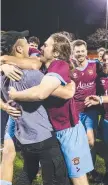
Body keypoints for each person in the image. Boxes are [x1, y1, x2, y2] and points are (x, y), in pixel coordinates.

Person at [8, 33, 93, 185]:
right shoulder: (45, 63)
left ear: (56, 53)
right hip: (53, 131)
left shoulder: (59, 65)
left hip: (68, 131)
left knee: (77, 177)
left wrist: (15, 95)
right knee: (62, 175)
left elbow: (41, 93)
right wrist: (4, 64)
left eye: (46, 45)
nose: (41, 47)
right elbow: (25, 59)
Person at [1, 30, 73, 185]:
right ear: (19, 48)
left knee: (28, 173)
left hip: (24, 138)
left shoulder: (2, 75)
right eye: (26, 42)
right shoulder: (32, 75)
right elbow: (64, 92)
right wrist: (71, 86)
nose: (33, 47)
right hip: (43, 137)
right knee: (56, 179)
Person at [70, 40, 101, 181]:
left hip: (90, 110)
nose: (80, 53)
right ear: (73, 52)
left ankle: (91, 168)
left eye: (82, 51)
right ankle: (79, 169)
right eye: (77, 51)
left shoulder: (95, 66)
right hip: (75, 110)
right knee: (77, 142)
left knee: (91, 141)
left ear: (86, 50)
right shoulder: (69, 68)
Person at [85, 50, 108, 184]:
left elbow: (100, 98)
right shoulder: (99, 78)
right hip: (105, 120)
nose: (106, 63)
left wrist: (100, 99)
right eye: (105, 60)